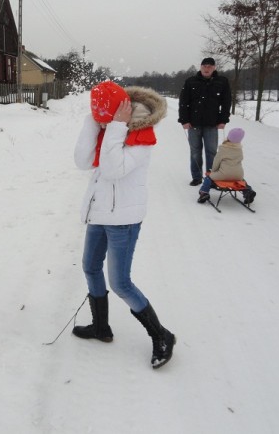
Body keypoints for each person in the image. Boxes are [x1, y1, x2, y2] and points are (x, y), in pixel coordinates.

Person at [73, 81, 176, 369]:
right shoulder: (106, 127)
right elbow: (82, 161)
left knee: (120, 283)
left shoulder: (141, 134)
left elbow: (112, 169)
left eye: (100, 112)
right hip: (99, 213)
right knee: (90, 267)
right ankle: (100, 327)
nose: (99, 119)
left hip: (123, 221)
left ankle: (162, 335)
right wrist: (92, 123)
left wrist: (116, 126)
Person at [178, 57, 232, 186]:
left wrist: (223, 119)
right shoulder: (190, 81)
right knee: (195, 152)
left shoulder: (222, 81)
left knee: (212, 152)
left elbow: (226, 102)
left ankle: (211, 177)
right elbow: (183, 102)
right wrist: (184, 120)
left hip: (212, 123)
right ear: (201, 67)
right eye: (204, 66)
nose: (207, 68)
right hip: (193, 123)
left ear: (214, 68)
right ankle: (196, 177)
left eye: (210, 66)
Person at [197, 127, 256, 204]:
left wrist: (213, 171)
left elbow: (216, 162)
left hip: (223, 174)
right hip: (238, 175)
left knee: (208, 178)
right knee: (242, 182)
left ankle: (204, 193)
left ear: (229, 137)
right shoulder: (239, 149)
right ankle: (248, 192)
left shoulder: (223, 148)